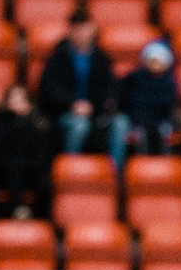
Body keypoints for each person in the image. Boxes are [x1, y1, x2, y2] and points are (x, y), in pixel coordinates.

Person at [37, 11, 128, 169]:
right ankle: (71, 169)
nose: (82, 34)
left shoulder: (101, 57)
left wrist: (108, 103)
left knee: (121, 123)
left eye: (86, 29)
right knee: (79, 125)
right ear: (70, 31)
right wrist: (73, 104)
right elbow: (49, 88)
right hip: (64, 113)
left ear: (93, 30)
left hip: (97, 112)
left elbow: (111, 86)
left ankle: (115, 174)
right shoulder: (58, 57)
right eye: (78, 29)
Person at [0, 83, 53, 219]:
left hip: (31, 171)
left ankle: (43, 224)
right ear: (6, 103)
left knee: (45, 184)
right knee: (15, 167)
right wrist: (12, 120)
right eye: (13, 100)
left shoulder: (38, 124)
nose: (17, 104)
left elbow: (42, 153)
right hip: (2, 172)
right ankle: (17, 211)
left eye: (22, 100)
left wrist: (25, 122)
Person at [118, 40, 181, 158]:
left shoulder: (169, 82)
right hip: (138, 120)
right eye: (152, 61)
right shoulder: (134, 78)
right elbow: (126, 99)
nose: (155, 66)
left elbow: (168, 105)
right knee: (140, 134)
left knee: (164, 132)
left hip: (161, 120)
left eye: (159, 62)